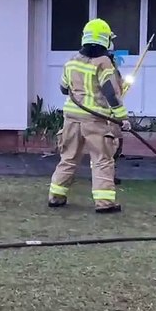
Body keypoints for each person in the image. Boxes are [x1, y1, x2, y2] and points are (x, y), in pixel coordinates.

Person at [47, 18, 130, 213]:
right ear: (106, 40)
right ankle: (104, 203)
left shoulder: (72, 61)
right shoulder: (104, 63)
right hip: (96, 120)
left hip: (71, 119)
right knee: (102, 160)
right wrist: (123, 118)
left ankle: (56, 197)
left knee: (68, 158)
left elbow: (63, 88)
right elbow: (111, 94)